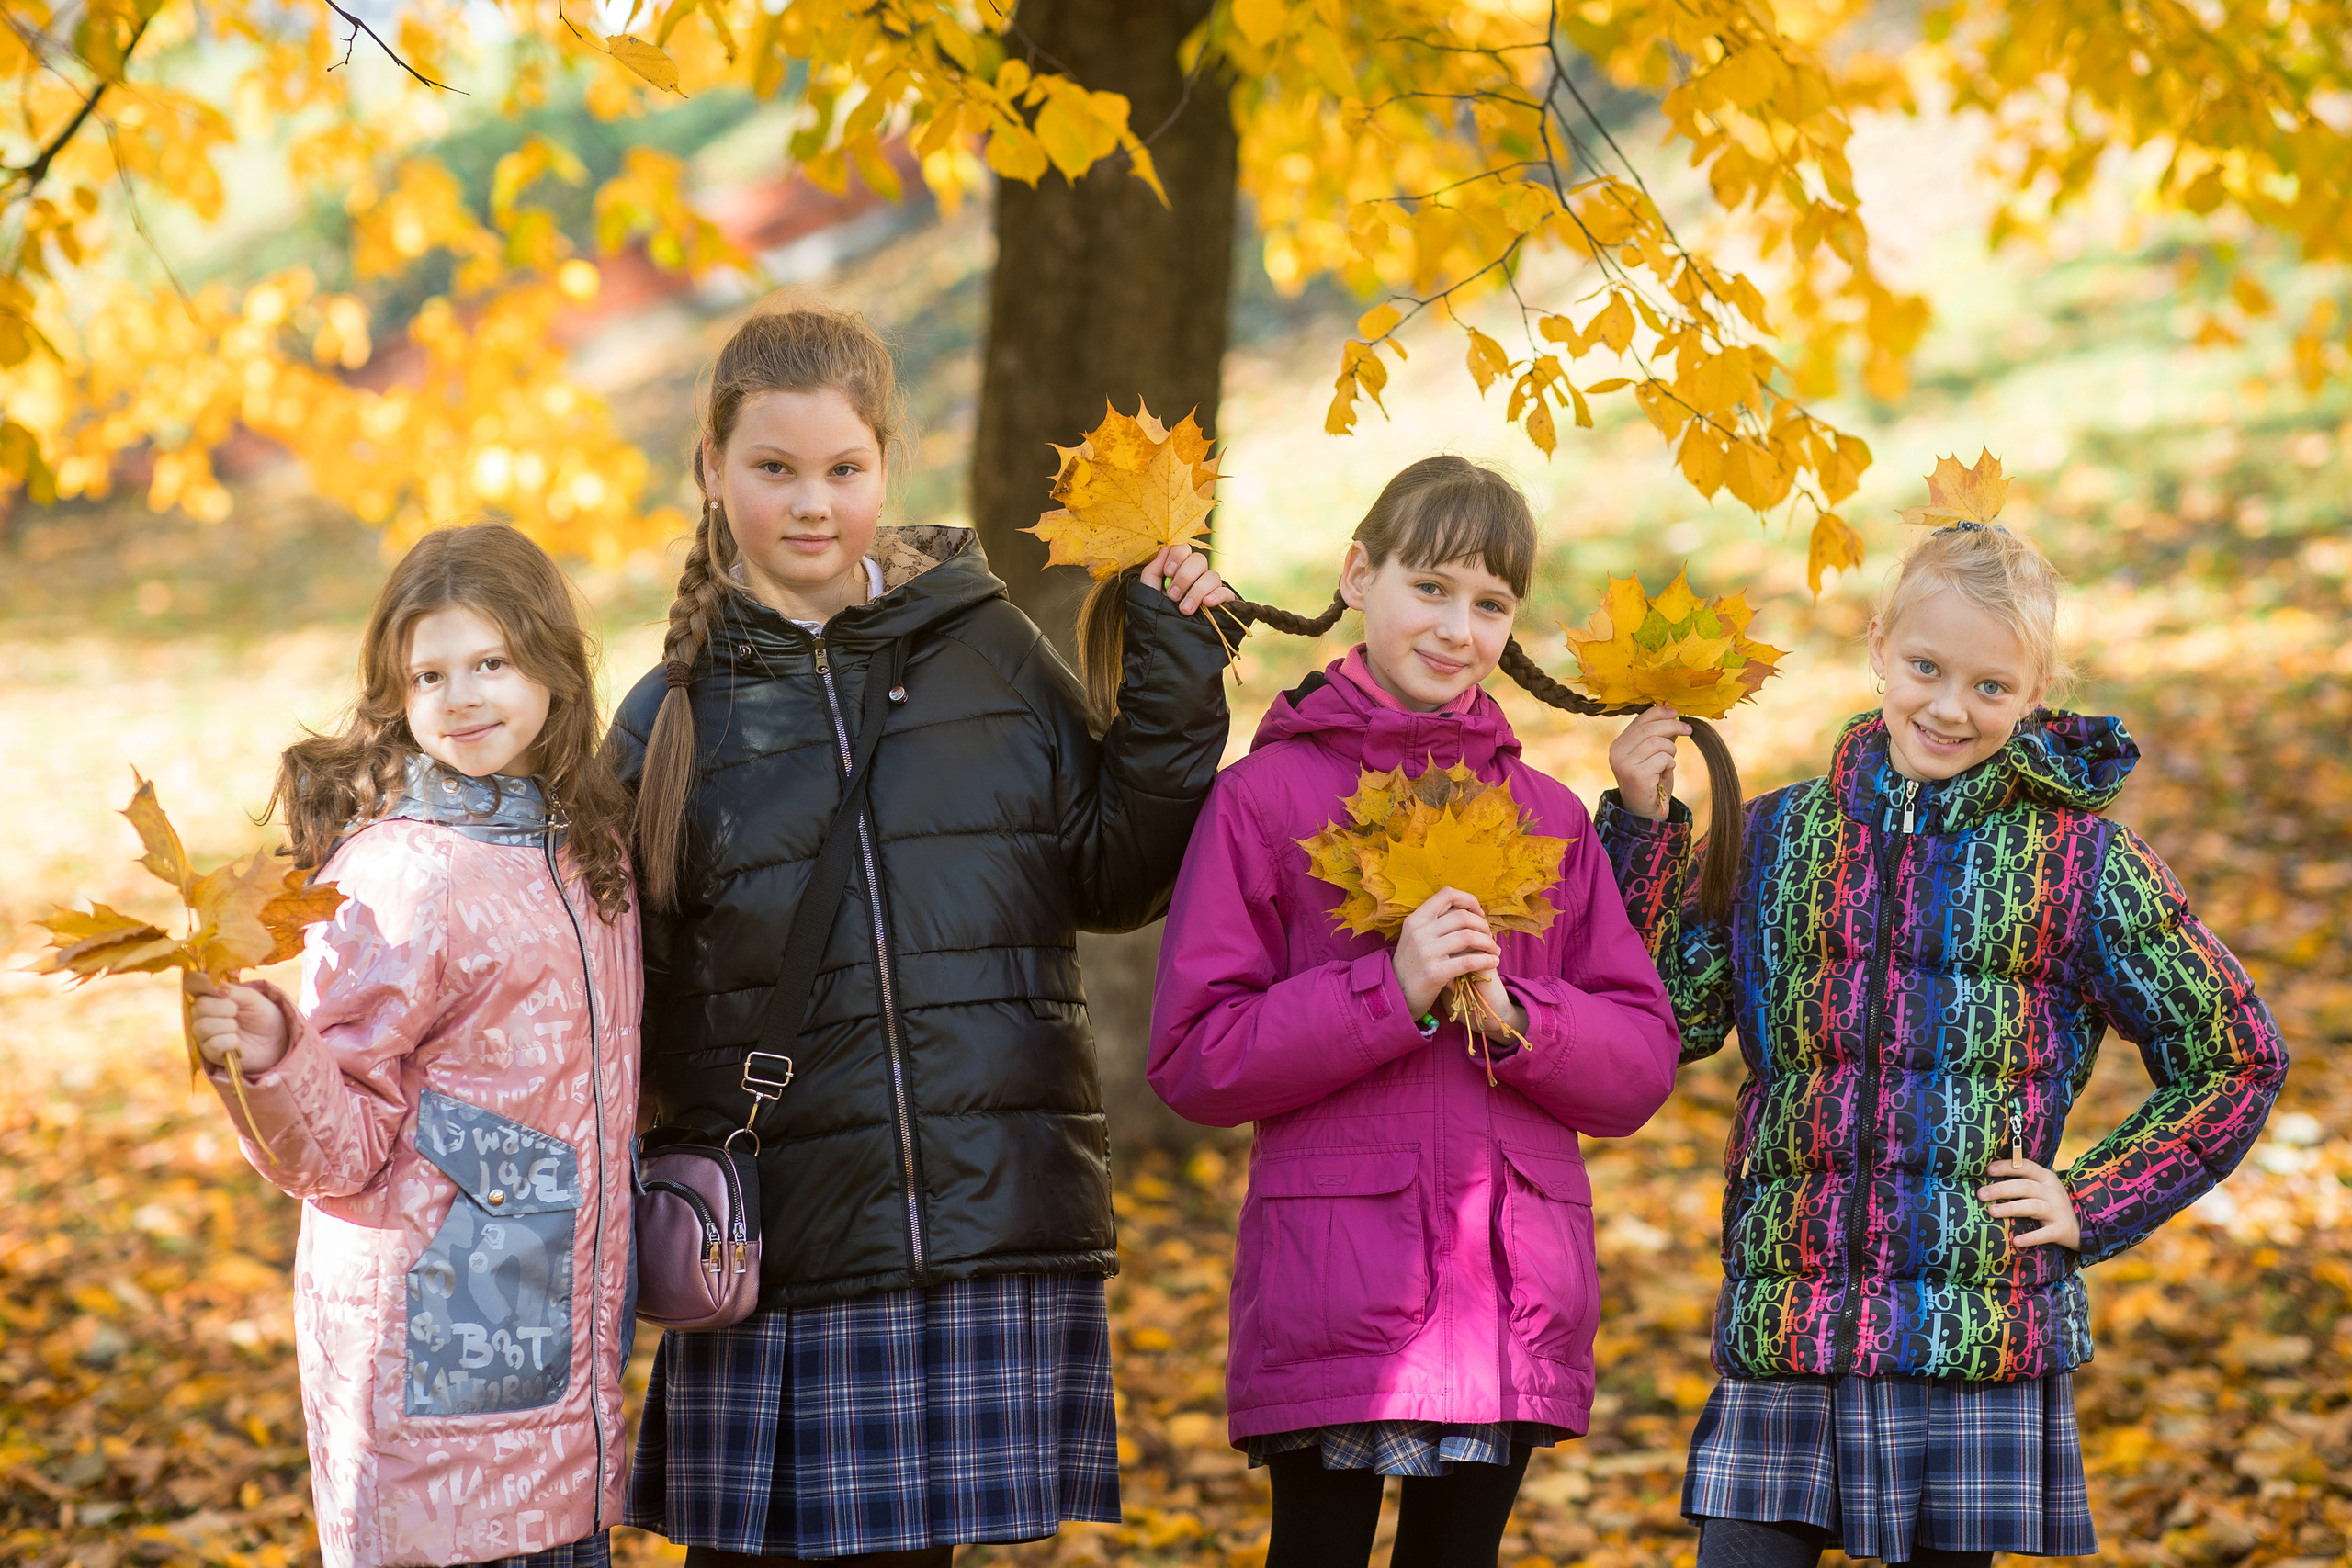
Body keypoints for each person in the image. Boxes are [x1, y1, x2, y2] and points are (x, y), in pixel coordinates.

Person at [605, 297, 1241, 1566]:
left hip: (974, 1216)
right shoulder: (667, 718)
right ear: (712, 471)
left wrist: (1175, 671)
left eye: (844, 468)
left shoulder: (986, 648)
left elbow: (1112, 871)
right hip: (774, 1246)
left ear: (886, 466)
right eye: (773, 468)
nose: (810, 504)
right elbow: (615, 1000)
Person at [1600, 518, 2289, 1568]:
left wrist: (2090, 1199)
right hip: (1792, 1311)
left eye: (1989, 687)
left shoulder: (2077, 865)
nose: (1948, 707)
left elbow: (2236, 1054)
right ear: (1879, 645)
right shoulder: (1781, 839)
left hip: (1969, 1328)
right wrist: (1646, 831)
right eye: (1925, 667)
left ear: (2033, 691)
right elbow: (1675, 1017)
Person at [1146, 455, 1683, 1568]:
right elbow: (1196, 1057)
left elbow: (1637, 1063)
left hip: (1509, 1287)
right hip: (1334, 1277)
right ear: (1357, 574)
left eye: (1490, 604)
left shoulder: (1546, 819)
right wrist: (1384, 996)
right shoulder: (1265, 801)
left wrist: (1518, 1016)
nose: (1457, 627)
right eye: (1430, 587)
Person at [185, 522, 640, 1568]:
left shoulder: (588, 852)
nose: (464, 697)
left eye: (491, 662)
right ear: (396, 695)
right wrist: (275, 1057)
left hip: (566, 1354)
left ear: (556, 668)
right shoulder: (397, 873)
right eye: (429, 675)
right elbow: (339, 1149)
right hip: (442, 1357)